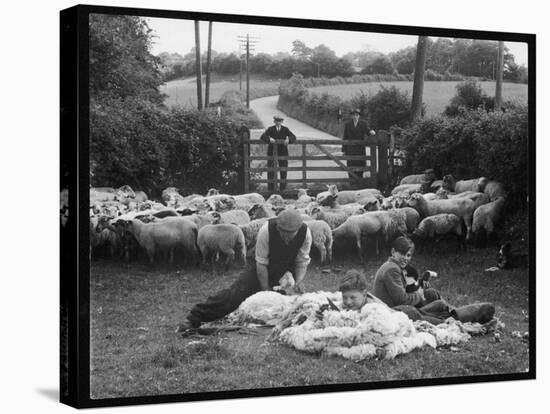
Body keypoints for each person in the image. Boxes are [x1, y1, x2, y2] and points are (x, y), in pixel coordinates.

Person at [176, 209, 312, 332]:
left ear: (298, 229)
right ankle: (195, 317)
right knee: (237, 292)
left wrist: (297, 283)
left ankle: (281, 323)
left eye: (290, 233)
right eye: (282, 232)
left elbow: (302, 261)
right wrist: (266, 291)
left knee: (291, 299)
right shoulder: (266, 230)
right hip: (259, 264)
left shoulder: (306, 234)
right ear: (277, 225)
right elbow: (261, 263)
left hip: (286, 267)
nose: (286, 236)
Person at [373, 236, 495, 325]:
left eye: (408, 255)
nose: (405, 258)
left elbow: (405, 289)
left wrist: (421, 284)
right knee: (437, 309)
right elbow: (401, 299)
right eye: (402, 254)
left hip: (399, 307)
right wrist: (419, 296)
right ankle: (464, 315)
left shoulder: (394, 266)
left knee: (431, 294)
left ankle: (453, 312)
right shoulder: (391, 269)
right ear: (393, 252)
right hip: (394, 312)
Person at [260, 115, 296, 192]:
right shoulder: (271, 129)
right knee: (271, 170)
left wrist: (288, 140)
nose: (278, 122)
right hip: (272, 152)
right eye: (277, 121)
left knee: (283, 170)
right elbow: (263, 136)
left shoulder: (285, 129)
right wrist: (269, 139)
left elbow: (293, 136)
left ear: (282, 122)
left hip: (283, 152)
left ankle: (283, 188)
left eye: (280, 121)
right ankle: (271, 188)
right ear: (274, 121)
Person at [342, 109, 375, 181]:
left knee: (360, 164)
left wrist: (371, 131)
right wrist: (344, 150)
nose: (355, 116)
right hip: (350, 148)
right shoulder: (347, 124)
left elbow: (368, 131)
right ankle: (351, 180)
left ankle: (359, 181)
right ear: (351, 116)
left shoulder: (363, 123)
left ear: (359, 116)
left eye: (357, 115)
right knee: (351, 164)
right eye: (353, 115)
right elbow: (345, 137)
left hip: (360, 148)